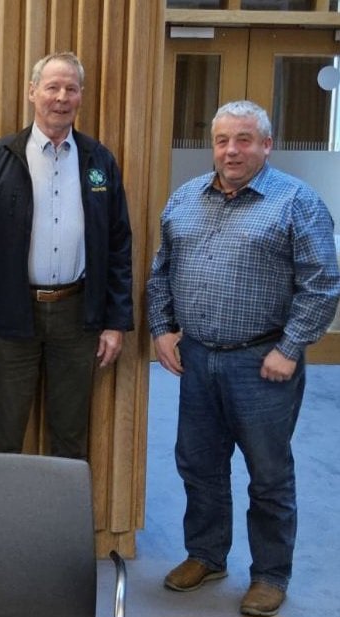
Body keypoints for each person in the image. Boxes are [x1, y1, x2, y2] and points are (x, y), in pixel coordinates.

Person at [147, 100, 340, 617]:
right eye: (223, 140)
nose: (232, 150)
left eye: (244, 139)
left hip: (263, 364)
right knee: (199, 464)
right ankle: (206, 555)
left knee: (268, 475)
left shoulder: (296, 202)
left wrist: (290, 348)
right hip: (197, 359)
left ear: (266, 145)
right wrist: (163, 329)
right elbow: (160, 271)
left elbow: (322, 285)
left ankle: (270, 575)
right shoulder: (185, 199)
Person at [0, 52, 133, 459]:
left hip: (77, 318)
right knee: (4, 436)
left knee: (70, 436)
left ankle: (62, 524)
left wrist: (115, 322)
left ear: (80, 96)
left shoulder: (99, 161)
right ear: (32, 92)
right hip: (11, 317)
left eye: (71, 89)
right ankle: (3, 524)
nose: (61, 97)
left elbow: (118, 244)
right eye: (52, 87)